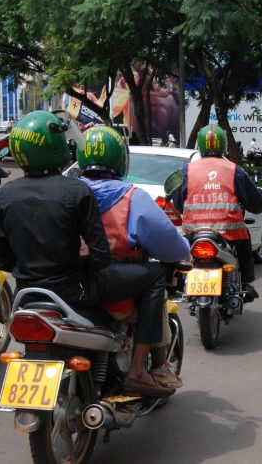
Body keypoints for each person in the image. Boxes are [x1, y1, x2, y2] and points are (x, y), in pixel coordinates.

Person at [0, 111, 171, 397]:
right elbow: (100, 256)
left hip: (27, 293)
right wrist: (80, 264)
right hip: (76, 290)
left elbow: (2, 259)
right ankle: (138, 370)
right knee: (154, 276)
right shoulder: (76, 191)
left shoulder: (5, 195)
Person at [76, 126, 190, 388]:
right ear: (121, 159)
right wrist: (184, 246)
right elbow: (170, 245)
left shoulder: (69, 192)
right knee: (155, 283)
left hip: (72, 289)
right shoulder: (131, 198)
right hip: (119, 296)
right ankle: (153, 368)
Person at [170, 124, 262, 299]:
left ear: (200, 145)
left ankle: (181, 283)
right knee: (245, 240)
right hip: (229, 234)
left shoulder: (187, 170)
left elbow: (178, 203)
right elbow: (256, 205)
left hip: (194, 233)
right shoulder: (235, 170)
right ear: (224, 145)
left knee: (183, 258)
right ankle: (246, 284)